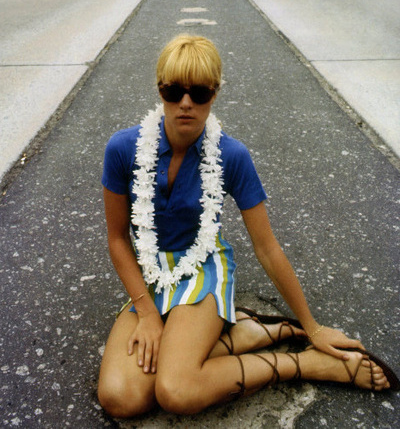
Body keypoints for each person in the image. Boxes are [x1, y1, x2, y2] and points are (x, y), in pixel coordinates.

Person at [98, 35, 399, 419]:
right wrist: (148, 315)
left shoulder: (231, 154)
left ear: (215, 93)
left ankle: (307, 364)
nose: (185, 103)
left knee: (176, 390)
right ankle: (252, 332)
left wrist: (314, 328)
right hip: (153, 276)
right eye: (173, 90)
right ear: (159, 89)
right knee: (121, 398)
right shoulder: (122, 149)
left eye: (200, 92)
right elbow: (118, 239)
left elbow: (267, 248)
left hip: (203, 267)